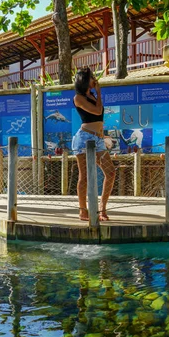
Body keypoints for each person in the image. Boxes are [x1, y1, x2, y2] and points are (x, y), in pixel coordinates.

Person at [71, 67, 115, 221]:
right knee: (85, 176)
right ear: (84, 80)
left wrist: (96, 94)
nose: (94, 79)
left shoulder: (92, 96)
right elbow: (97, 112)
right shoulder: (78, 98)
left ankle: (102, 209)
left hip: (98, 139)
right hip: (84, 139)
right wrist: (99, 92)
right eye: (91, 77)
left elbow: (99, 111)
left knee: (110, 172)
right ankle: (83, 210)